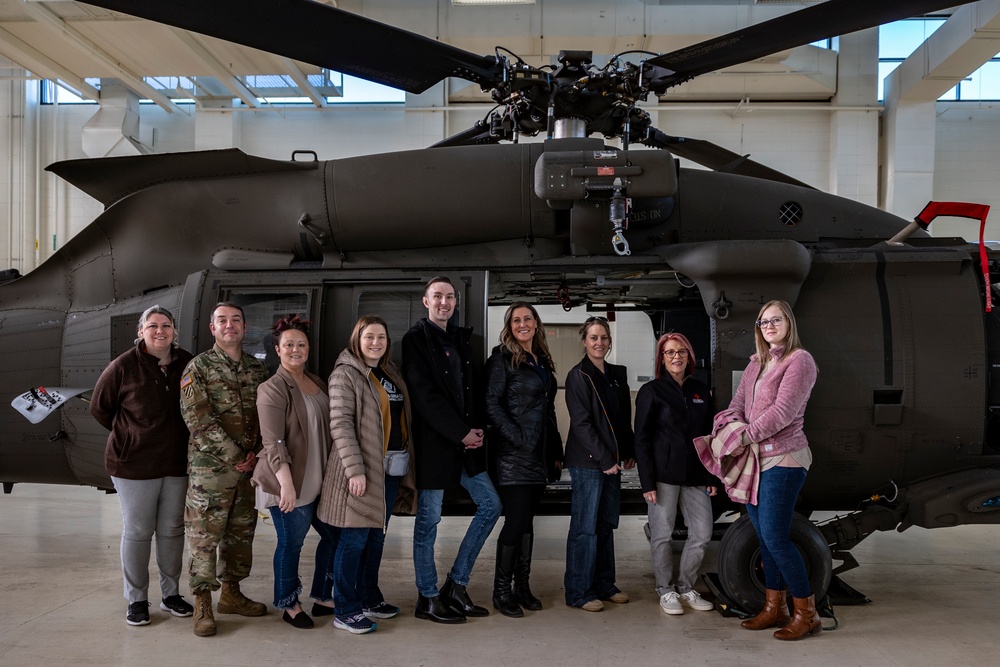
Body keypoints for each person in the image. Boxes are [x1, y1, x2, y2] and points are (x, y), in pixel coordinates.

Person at [402, 277, 501, 624]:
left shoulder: (460, 339)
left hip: (465, 445)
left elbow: (469, 392)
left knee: (491, 505)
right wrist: (461, 433)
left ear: (455, 303)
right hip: (436, 446)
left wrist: (474, 433)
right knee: (428, 521)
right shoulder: (415, 340)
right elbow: (424, 395)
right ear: (426, 302)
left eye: (449, 297)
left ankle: (456, 585)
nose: (444, 302)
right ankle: (427, 597)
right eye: (437, 297)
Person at [90, 305, 195, 627]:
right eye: (152, 326)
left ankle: (171, 594)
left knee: (172, 531)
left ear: (174, 330)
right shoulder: (122, 366)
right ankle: (136, 599)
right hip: (134, 465)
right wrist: (131, 436)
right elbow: (100, 408)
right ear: (141, 332)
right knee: (138, 532)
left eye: (166, 325)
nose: (160, 331)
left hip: (176, 464)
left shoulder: (187, 362)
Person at [318, 315, 417, 635]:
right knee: (355, 539)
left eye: (382, 338)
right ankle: (345, 609)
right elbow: (341, 425)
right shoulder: (345, 374)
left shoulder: (388, 372)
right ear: (356, 340)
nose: (376, 343)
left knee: (376, 537)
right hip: (360, 470)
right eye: (369, 337)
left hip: (390, 467)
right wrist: (355, 470)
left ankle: (369, 597)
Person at [729, 299, 820, 641]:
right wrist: (735, 425)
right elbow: (738, 402)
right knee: (764, 538)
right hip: (755, 459)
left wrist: (744, 436)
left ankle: (807, 614)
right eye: (763, 322)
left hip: (784, 458)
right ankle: (775, 608)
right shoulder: (757, 363)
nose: (768, 326)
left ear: (788, 322)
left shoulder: (800, 361)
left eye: (775, 320)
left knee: (776, 539)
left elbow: (783, 412)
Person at [180, 302, 270, 637]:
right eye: (222, 321)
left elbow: (267, 419)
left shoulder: (257, 369)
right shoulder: (198, 367)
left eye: (235, 320)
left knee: (241, 533)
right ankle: (202, 601)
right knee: (205, 536)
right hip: (211, 471)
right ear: (212, 329)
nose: (229, 325)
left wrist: (257, 454)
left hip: (248, 469)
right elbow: (198, 420)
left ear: (244, 328)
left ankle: (231, 593)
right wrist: (236, 456)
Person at [252, 315, 339, 629]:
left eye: (301, 344)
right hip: (290, 480)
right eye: (288, 344)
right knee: (291, 543)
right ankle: (288, 603)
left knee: (334, 536)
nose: (295, 349)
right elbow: (273, 442)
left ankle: (323, 596)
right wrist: (286, 485)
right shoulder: (273, 388)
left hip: (319, 479)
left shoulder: (315, 381)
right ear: (278, 349)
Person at [484, 302, 562, 618]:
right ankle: (501, 592)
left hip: (539, 456)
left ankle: (522, 587)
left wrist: (555, 450)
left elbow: (549, 411)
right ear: (509, 326)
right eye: (516, 320)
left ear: (536, 323)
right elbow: (491, 405)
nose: (522, 324)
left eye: (527, 318)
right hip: (513, 456)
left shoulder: (541, 361)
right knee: (515, 522)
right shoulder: (501, 360)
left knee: (528, 523)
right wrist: (518, 438)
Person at [634, 332, 717, 616]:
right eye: (670, 352)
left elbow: (709, 436)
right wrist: (647, 482)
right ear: (662, 358)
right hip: (663, 476)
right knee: (662, 535)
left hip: (695, 476)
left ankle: (686, 586)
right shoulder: (652, 391)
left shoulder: (700, 390)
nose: (676, 357)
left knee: (702, 534)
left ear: (689, 356)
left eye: (681, 352)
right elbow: (641, 439)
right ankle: (665, 589)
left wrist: (711, 476)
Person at [562, 317, 635, 612]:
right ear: (584, 341)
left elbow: (622, 419)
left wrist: (628, 451)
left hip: (612, 464)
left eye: (604, 337)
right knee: (585, 528)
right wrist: (604, 459)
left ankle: (604, 584)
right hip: (588, 463)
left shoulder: (616, 375)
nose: (599, 343)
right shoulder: (578, 376)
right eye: (593, 338)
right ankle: (579, 591)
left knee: (606, 525)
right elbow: (582, 424)